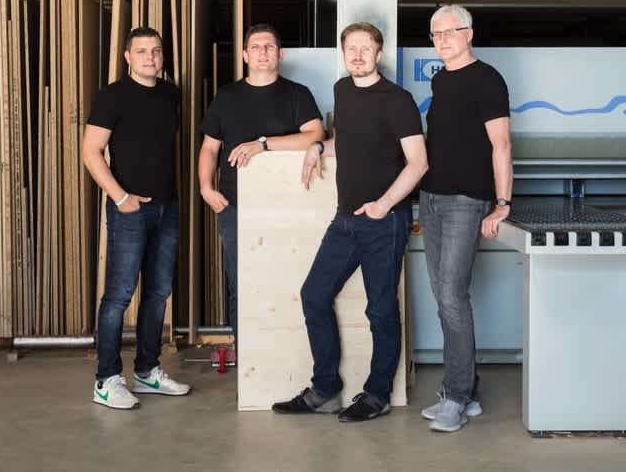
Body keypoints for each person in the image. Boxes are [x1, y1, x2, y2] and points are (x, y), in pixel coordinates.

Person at [272, 22, 427, 422]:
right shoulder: (343, 90)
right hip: (345, 220)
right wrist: (319, 145)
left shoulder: (399, 100)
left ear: (378, 53)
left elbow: (418, 163)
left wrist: (383, 204)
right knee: (314, 295)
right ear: (344, 54)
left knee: (380, 311)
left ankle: (377, 395)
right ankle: (325, 390)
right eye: (351, 49)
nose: (357, 55)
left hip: (385, 221)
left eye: (365, 48)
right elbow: (350, 141)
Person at [83, 26, 190, 409]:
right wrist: (121, 196)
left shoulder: (170, 93)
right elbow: (91, 152)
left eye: (157, 51)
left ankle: (146, 372)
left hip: (167, 207)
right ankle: (106, 379)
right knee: (119, 296)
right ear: (127, 56)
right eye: (142, 51)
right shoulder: (112, 96)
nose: (150, 57)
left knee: (159, 292)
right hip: (129, 210)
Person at [198, 23, 325, 346]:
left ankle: (282, 356)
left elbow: (315, 136)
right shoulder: (226, 97)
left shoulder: (297, 94)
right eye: (255, 47)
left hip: (289, 207)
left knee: (288, 280)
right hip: (234, 206)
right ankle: (250, 364)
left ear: (280, 54)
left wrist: (263, 144)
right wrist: (205, 188)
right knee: (243, 283)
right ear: (244, 55)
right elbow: (209, 148)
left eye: (269, 46)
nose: (263, 52)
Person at [418, 4, 512, 432]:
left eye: (449, 32)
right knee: (443, 297)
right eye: (435, 34)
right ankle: (467, 391)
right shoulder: (441, 79)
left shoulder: (487, 79)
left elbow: (501, 145)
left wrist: (502, 202)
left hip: (465, 202)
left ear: (469, 33)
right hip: (432, 199)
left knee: (452, 298)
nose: (441, 40)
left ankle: (455, 397)